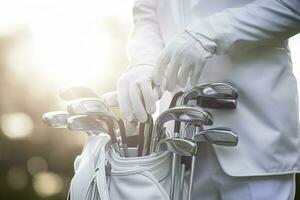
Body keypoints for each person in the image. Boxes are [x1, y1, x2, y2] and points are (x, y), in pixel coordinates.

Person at [117, 0, 300, 199]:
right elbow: (147, 15)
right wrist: (144, 61)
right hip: (178, 141)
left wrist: (210, 32)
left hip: (255, 131)